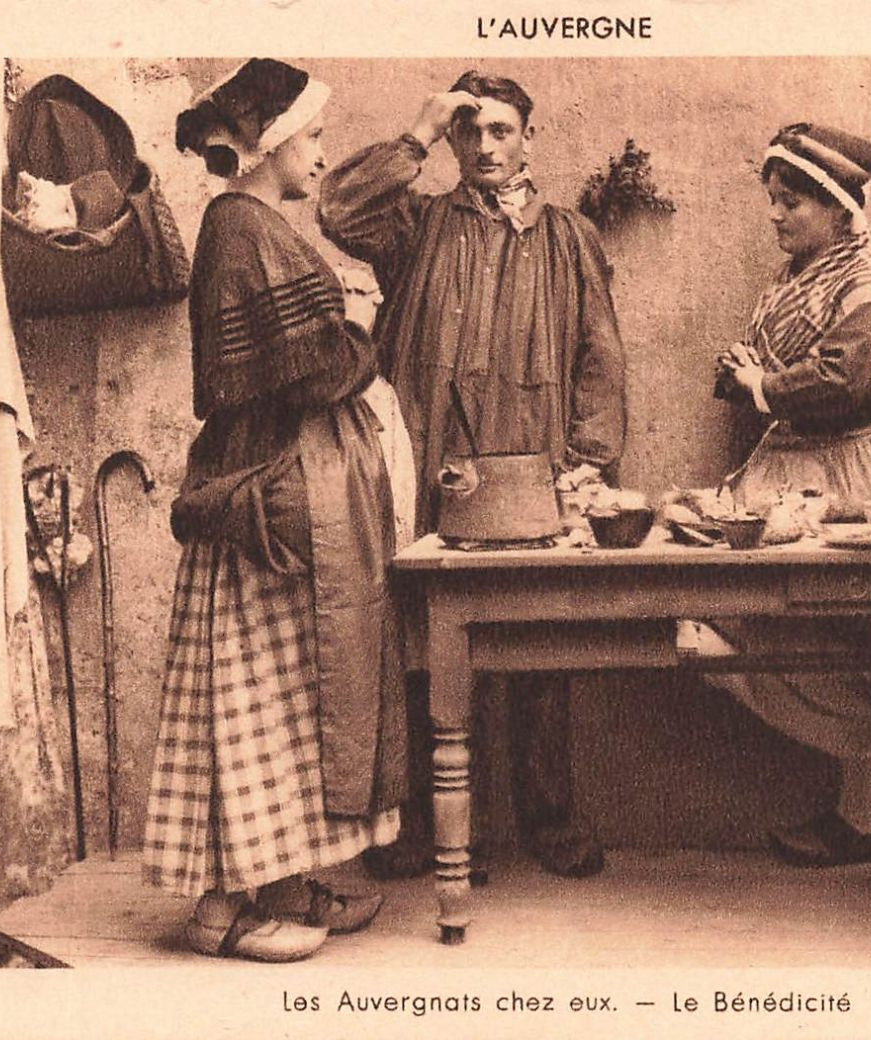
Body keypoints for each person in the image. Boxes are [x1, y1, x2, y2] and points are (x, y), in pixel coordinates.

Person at [319, 71, 625, 879]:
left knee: (537, 644)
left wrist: (590, 464)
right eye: (469, 131)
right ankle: (423, 826)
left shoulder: (567, 236)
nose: (485, 147)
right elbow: (335, 210)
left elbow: (599, 355)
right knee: (420, 647)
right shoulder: (414, 224)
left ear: (529, 137)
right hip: (428, 467)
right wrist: (416, 133)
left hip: (533, 466)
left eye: (500, 130)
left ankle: (548, 821)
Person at [142, 59, 408, 962]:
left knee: (290, 694)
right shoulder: (243, 226)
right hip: (264, 480)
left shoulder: (250, 223)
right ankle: (224, 912)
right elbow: (316, 370)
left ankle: (289, 881)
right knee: (248, 696)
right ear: (268, 143)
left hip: (280, 473)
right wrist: (363, 326)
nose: (323, 156)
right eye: (316, 138)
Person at [684, 122, 871, 869]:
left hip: (849, 471)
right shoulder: (800, 276)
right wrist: (747, 377)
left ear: (837, 205)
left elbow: (845, 380)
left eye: (792, 203)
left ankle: (870, 814)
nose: (777, 216)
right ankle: (868, 800)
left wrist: (761, 384)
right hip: (787, 461)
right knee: (709, 627)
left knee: (848, 642)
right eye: (774, 201)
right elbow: (765, 372)